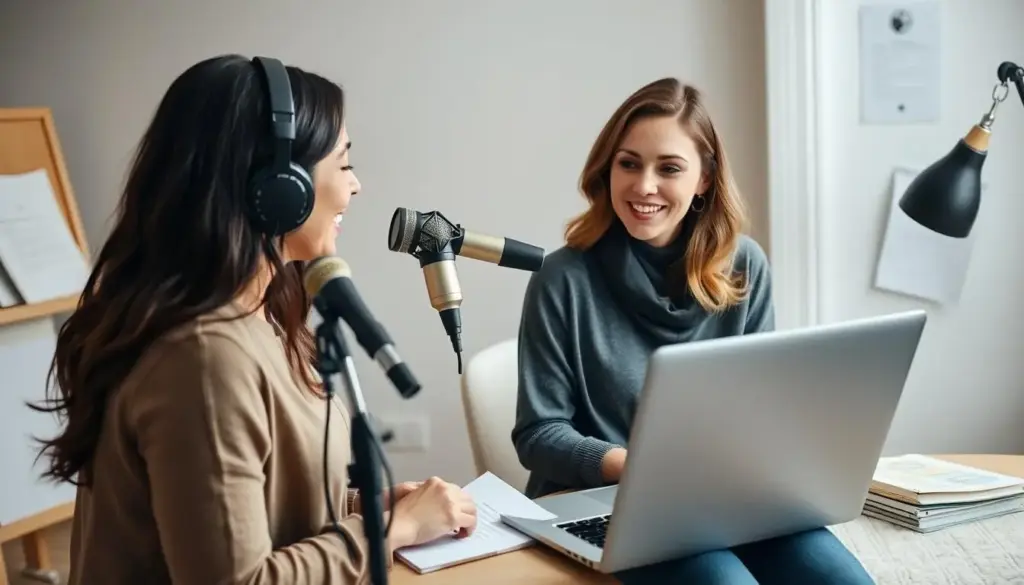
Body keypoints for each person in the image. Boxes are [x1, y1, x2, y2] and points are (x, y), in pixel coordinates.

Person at [31, 54, 477, 585]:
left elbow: (258, 499)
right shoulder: (202, 356)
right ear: (281, 187)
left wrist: (365, 505)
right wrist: (387, 532)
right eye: (344, 163)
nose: (355, 186)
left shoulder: (255, 316)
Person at [511, 78, 874, 584]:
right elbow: (538, 434)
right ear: (607, 168)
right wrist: (637, 469)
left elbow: (761, 412)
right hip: (598, 500)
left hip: (722, 494)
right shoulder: (562, 278)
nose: (643, 186)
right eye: (629, 163)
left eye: (670, 169)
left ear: (704, 178)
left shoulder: (745, 265)